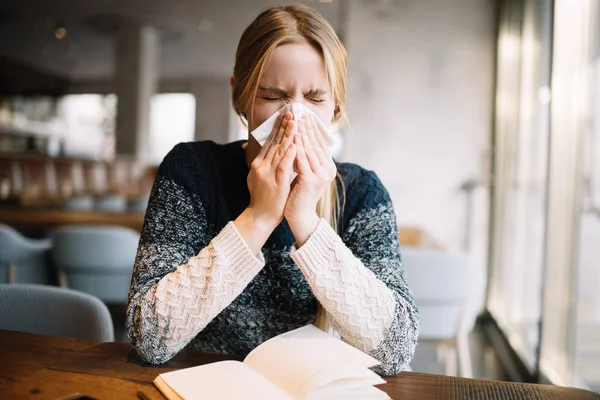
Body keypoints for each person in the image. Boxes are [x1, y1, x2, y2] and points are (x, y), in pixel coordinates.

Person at [126, 4, 419, 376]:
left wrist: (305, 221)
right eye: (271, 96)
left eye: (314, 98)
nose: (294, 116)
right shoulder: (192, 171)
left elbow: (396, 350)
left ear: (336, 107)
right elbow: (149, 337)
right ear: (241, 98)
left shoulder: (361, 193)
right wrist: (258, 217)